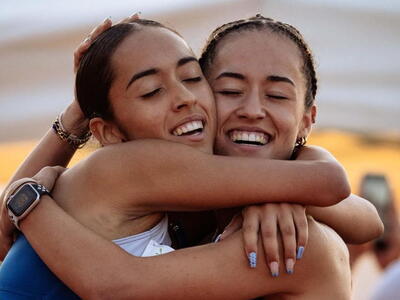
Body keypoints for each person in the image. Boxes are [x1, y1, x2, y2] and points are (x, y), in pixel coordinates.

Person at [0, 15, 382, 299]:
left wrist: (29, 200)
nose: (252, 109)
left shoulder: (291, 239)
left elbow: (359, 211)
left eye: (278, 96)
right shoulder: (151, 178)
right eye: (229, 90)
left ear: (307, 120)